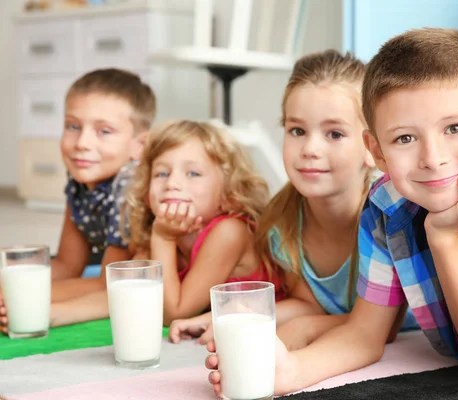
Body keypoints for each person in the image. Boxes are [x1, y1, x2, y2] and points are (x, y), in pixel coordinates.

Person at [206, 28, 458, 395]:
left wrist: (443, 238)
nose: (433, 158)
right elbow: (364, 335)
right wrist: (290, 371)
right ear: (376, 150)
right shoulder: (387, 204)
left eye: (455, 128)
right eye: (405, 138)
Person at [169, 50, 416, 348]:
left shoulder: (391, 215)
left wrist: (305, 329)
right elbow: (308, 304)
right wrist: (228, 315)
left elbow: (385, 327)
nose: (310, 148)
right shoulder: (283, 223)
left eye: (334, 134)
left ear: (371, 147)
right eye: (297, 130)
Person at [40, 120, 285, 328]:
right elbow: (122, 295)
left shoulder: (229, 232)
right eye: (162, 173)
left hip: (272, 324)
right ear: (146, 191)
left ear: (229, 194)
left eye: (193, 174)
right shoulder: (155, 232)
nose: (172, 183)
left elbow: (173, 313)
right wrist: (50, 314)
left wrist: (164, 238)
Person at [1, 68, 155, 333]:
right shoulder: (82, 180)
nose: (82, 142)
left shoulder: (131, 186)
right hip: (106, 279)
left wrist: (21, 296)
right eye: (73, 126)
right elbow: (68, 264)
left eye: (104, 131)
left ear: (139, 145)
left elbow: (108, 284)